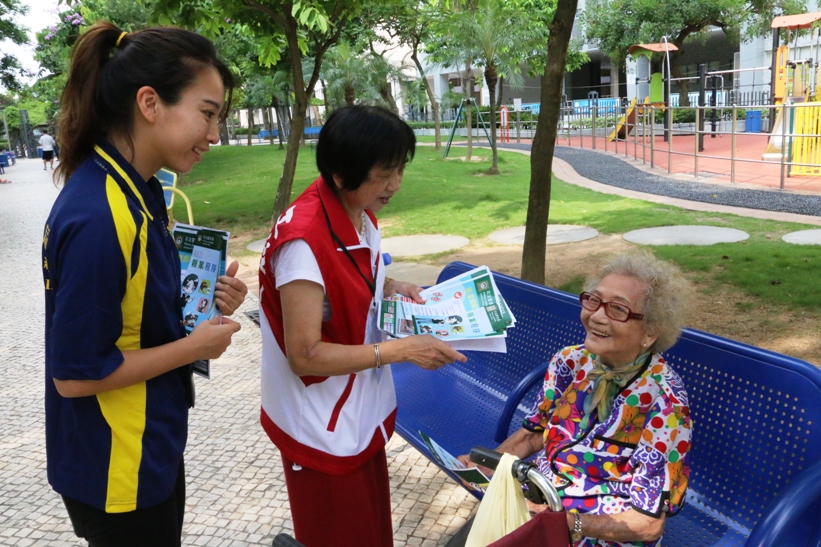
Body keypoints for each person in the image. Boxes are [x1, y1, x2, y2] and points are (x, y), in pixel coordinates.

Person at [42, 22, 248, 547]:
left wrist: (202, 300)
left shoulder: (140, 189)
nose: (215, 135)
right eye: (207, 113)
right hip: (115, 464)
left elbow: (133, 306)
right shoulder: (100, 216)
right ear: (150, 103)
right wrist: (192, 348)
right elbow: (76, 375)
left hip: (146, 442)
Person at [259, 105, 467, 547]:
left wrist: (391, 285)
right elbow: (304, 354)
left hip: (359, 413)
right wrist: (401, 350)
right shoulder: (303, 241)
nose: (394, 185)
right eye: (383, 174)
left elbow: (350, 276)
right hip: (320, 426)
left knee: (372, 532)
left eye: (399, 170)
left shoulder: (358, 210)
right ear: (340, 173)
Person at [458, 253, 693, 547]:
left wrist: (569, 523)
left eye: (618, 309)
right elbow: (534, 433)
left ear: (651, 331)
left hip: (600, 530)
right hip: (538, 502)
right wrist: (489, 465)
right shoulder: (570, 362)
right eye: (593, 300)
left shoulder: (665, 401)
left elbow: (647, 525)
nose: (596, 316)